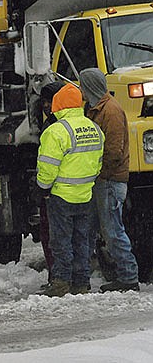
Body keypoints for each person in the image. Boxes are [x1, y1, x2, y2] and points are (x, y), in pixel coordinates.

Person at [33, 83, 103, 297]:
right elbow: (98, 162)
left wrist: (43, 188)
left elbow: (47, 166)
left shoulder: (56, 131)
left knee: (61, 242)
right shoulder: (93, 127)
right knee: (83, 241)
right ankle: (81, 283)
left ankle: (61, 283)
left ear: (58, 103)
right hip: (86, 194)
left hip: (61, 196)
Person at [79, 68, 139, 292]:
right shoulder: (97, 108)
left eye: (83, 86)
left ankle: (129, 277)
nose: (81, 91)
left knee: (113, 231)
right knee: (89, 230)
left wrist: (95, 171)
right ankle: (81, 276)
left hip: (109, 181)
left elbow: (113, 152)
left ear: (91, 86)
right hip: (102, 181)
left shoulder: (110, 111)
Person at [36, 81, 65, 289]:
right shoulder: (59, 123)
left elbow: (49, 162)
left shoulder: (54, 127)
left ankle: (58, 278)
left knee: (54, 236)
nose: (46, 106)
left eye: (49, 101)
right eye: (43, 102)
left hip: (56, 192)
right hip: (66, 191)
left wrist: (42, 189)